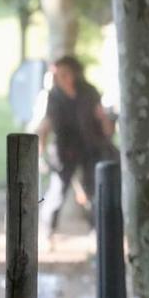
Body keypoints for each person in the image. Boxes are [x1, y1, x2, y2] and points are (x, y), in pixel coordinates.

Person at [33, 55, 117, 241]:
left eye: (64, 74)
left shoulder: (89, 92)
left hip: (91, 148)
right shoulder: (54, 96)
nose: (60, 78)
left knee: (95, 192)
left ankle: (98, 233)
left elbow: (103, 121)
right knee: (57, 192)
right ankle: (47, 231)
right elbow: (46, 125)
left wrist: (104, 121)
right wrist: (40, 151)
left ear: (73, 74)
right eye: (57, 74)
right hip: (65, 152)